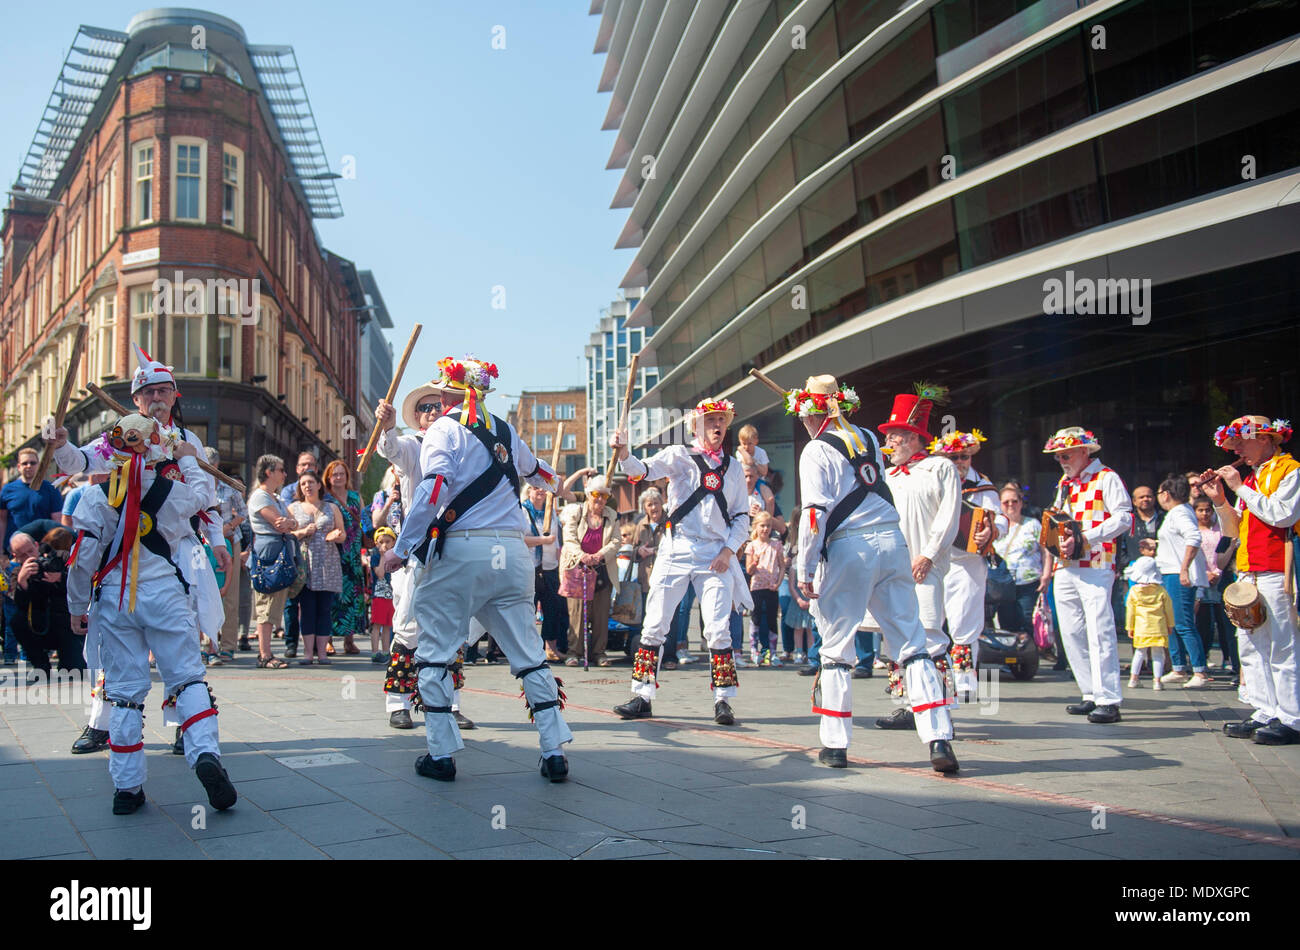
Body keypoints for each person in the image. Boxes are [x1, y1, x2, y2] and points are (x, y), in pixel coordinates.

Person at [384, 355, 571, 781]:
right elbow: (542, 473)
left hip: (461, 555)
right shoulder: (505, 431)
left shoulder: (443, 431)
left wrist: (403, 545)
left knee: (433, 654)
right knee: (528, 656)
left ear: (450, 392)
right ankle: (554, 750)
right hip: (511, 554)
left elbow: (433, 488)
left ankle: (441, 754)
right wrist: (558, 483)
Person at [65, 413, 235, 814]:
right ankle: (205, 754)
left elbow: (81, 561)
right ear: (158, 450)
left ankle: (127, 789)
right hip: (165, 596)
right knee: (187, 678)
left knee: (124, 693)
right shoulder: (173, 492)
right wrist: (190, 457)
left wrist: (76, 607)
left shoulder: (93, 497)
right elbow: (205, 497)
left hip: (114, 601)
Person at [788, 375, 957, 772]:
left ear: (812, 416)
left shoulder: (814, 450)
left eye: (805, 416)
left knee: (836, 646)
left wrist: (805, 566)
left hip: (851, 547)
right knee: (913, 643)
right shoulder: (867, 438)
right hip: (893, 543)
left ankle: (834, 745)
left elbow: (814, 513)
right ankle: (939, 740)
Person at [610, 397, 752, 726]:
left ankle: (723, 700)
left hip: (714, 554)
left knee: (718, 630)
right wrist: (624, 452)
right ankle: (642, 695)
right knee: (656, 623)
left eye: (722, 420)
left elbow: (742, 516)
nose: (717, 425)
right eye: (711, 420)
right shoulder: (677, 455)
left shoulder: (732, 468)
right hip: (676, 549)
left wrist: (728, 551)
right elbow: (640, 472)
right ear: (696, 426)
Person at [374, 383, 477, 733]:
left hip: (453, 549)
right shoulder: (413, 447)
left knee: (454, 626)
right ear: (417, 418)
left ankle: (448, 702)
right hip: (414, 552)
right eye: (426, 408)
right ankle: (399, 702)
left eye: (438, 406)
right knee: (407, 626)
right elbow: (391, 448)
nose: (433, 412)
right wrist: (387, 425)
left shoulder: (460, 449)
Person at [1198, 415, 1300, 744]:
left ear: (1268, 439)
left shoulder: (1290, 470)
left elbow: (1282, 514)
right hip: (1249, 567)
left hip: (1276, 569)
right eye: (1235, 444)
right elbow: (1233, 531)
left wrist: (1239, 487)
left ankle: (1292, 717)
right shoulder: (1252, 479)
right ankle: (1265, 709)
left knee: (1282, 644)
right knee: (1252, 644)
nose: (1238, 449)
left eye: (1244, 441)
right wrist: (1220, 500)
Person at [868, 383, 962, 732]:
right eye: (888, 436)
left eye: (894, 436)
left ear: (913, 437)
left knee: (929, 632)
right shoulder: (885, 475)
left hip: (925, 567)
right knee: (894, 637)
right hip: (891, 568)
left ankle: (939, 706)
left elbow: (948, 516)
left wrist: (928, 555)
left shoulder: (940, 468)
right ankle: (906, 705)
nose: (889, 442)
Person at [1043, 426, 1133, 724]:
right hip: (1065, 565)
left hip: (1096, 563)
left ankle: (1108, 698)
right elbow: (1056, 516)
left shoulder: (1106, 477)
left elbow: (1123, 516)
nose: (1061, 460)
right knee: (1070, 631)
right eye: (1057, 457)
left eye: (1065, 454)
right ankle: (1090, 692)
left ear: (1085, 451)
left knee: (1099, 629)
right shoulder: (1065, 482)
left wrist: (1086, 537)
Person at [931, 429, 1003, 700]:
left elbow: (1002, 518)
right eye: (952, 457)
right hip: (937, 560)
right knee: (930, 619)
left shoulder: (983, 486)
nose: (959, 462)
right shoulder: (935, 482)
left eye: (963, 457)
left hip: (968, 563)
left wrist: (992, 531)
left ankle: (964, 680)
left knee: (965, 621)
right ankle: (933, 678)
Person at [2, 448, 65, 664]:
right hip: (15, 557)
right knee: (13, 605)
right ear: (18, 466)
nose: (29, 467)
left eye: (33, 462)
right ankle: (16, 653)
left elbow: (58, 523)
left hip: (43, 555)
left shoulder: (50, 490)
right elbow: (2, 521)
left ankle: (45, 647)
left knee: (45, 601)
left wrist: (57, 556)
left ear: (40, 465)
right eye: (25, 463)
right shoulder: (8, 490)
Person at [1155, 475, 1211, 688]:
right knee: (1174, 623)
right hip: (1170, 572)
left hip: (1178, 574)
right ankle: (1178, 667)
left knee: (1184, 623)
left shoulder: (1180, 513)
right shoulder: (1176, 513)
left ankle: (1199, 671)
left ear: (1166, 494)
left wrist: (1184, 568)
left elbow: (1194, 537)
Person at [560, 474, 620, 667]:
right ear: (588, 494)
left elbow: (616, 541)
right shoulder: (576, 512)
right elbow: (568, 539)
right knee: (577, 613)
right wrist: (582, 555)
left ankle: (599, 652)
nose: (600, 499)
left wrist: (600, 554)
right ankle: (574, 652)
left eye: (603, 495)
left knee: (601, 614)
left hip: (602, 568)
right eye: (596, 494)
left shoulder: (611, 515)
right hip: (578, 568)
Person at [10, 526, 82, 679]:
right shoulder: (19, 572)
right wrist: (22, 582)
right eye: (23, 555)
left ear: (36, 545)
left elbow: (82, 580)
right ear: (15, 556)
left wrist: (61, 578)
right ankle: (41, 665)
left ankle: (68, 661)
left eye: (30, 551)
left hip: (67, 623)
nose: (29, 556)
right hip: (40, 626)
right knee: (17, 620)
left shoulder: (60, 558)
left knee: (75, 671)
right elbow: (18, 605)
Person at [289, 471, 345, 665]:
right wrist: (303, 531)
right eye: (303, 483)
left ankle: (322, 653)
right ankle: (307, 653)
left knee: (324, 609)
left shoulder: (331, 508)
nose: (307, 486)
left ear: (319, 485)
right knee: (306, 609)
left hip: (327, 563)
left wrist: (337, 536)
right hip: (304, 565)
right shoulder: (293, 508)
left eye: (311, 482)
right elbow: (287, 535)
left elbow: (343, 534)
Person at [245, 455, 295, 669]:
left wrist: (289, 522)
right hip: (268, 552)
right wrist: (288, 523)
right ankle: (264, 654)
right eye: (281, 469)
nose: (285, 474)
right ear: (269, 472)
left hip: (278, 549)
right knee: (265, 603)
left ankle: (267, 652)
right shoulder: (260, 497)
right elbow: (280, 524)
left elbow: (292, 521)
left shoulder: (276, 498)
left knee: (274, 603)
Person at [323, 460, 371, 656]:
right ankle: (328, 640)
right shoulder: (326, 499)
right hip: (334, 552)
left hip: (353, 553)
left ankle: (349, 641)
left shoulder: (354, 497)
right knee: (333, 597)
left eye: (342, 474)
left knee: (352, 596)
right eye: (335, 474)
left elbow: (364, 522)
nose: (338, 477)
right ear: (328, 477)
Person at [992, 483, 1052, 634]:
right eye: (1006, 502)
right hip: (1003, 585)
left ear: (1021, 503)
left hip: (1028, 583)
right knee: (1006, 624)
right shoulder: (995, 527)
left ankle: (1029, 656)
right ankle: (1011, 657)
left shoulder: (1033, 524)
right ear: (1000, 505)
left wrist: (1046, 575)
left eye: (1014, 501)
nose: (1010, 505)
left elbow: (1046, 551)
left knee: (1027, 622)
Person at [522, 481, 571, 661]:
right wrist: (542, 541)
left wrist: (561, 567)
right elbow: (521, 539)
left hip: (550, 567)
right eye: (536, 487)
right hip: (530, 567)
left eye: (543, 487)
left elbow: (557, 542)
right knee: (529, 609)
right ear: (529, 492)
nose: (541, 490)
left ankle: (549, 647)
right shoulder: (522, 512)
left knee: (553, 608)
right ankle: (528, 649)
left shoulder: (551, 512)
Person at [207, 447, 245, 665]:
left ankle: (228, 645)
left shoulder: (229, 487)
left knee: (229, 595)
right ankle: (208, 644)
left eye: (209, 466)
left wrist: (228, 525)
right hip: (205, 546)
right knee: (206, 593)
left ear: (216, 466)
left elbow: (244, 512)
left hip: (230, 541)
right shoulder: (195, 485)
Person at [276, 451, 318, 654]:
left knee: (312, 602)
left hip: (317, 558)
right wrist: (301, 531)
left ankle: (315, 644)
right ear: (297, 468)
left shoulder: (322, 494)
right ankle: (291, 643)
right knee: (291, 601)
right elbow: (285, 524)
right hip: (294, 555)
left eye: (310, 464)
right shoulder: (288, 495)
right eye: (303, 465)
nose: (306, 468)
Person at [1194, 498, 1239, 677]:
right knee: (1203, 623)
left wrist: (1218, 572)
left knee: (1224, 621)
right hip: (1202, 578)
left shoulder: (1219, 530)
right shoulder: (1194, 531)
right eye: (1201, 510)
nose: (1205, 514)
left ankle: (1229, 658)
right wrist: (1205, 574)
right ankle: (1202, 658)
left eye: (1208, 510)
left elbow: (1223, 553)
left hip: (1221, 576)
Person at [1125, 554, 1173, 690]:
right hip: (1159, 626)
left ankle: (1133, 678)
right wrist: (1170, 625)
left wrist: (1130, 626)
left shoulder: (1134, 591)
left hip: (1141, 627)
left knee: (1139, 653)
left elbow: (1130, 611)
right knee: (1158, 653)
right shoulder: (1161, 591)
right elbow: (1168, 609)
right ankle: (1157, 681)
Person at [744, 511, 785, 666]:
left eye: (768, 526)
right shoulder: (752, 545)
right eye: (762, 526)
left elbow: (781, 566)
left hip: (772, 587)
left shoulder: (776, 545)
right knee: (755, 617)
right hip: (756, 587)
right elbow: (749, 570)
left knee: (771, 618)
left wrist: (778, 583)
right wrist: (754, 562)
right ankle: (754, 650)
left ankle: (772, 652)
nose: (765, 529)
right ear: (756, 526)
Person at [369, 527, 397, 662]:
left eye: (388, 541)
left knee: (388, 625)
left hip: (391, 595)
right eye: (381, 542)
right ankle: (375, 652)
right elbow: (380, 574)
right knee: (377, 624)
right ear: (376, 543)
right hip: (379, 595)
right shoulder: (375, 556)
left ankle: (386, 651)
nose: (384, 545)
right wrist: (382, 556)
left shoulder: (395, 557)